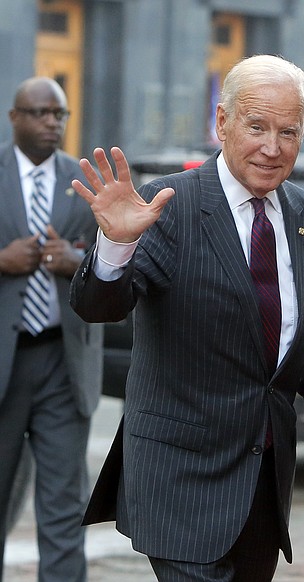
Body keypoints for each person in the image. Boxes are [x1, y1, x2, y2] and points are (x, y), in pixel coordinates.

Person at [70, 54, 304, 581]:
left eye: (289, 132)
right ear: (222, 121)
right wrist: (116, 246)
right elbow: (101, 307)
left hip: (261, 487)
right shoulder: (171, 206)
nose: (272, 148)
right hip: (179, 479)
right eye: (257, 126)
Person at [0, 77, 102, 581]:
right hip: (4, 362)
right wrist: (1, 260)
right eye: (39, 113)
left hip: (64, 363)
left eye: (58, 115)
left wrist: (75, 260)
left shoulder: (83, 181)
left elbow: (114, 264)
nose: (50, 123)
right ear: (15, 117)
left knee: (64, 509)